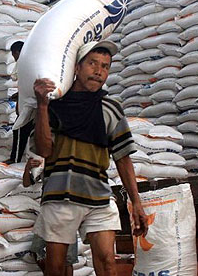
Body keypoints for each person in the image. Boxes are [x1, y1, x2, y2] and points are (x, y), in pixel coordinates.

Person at [32, 40, 148, 276]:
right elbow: (44, 150)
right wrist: (42, 106)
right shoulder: (55, 105)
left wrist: (136, 202)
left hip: (98, 196)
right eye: (92, 64)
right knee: (56, 267)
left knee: (107, 262)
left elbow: (123, 158)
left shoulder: (111, 108)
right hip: (60, 195)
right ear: (76, 68)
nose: (98, 71)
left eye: (105, 66)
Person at [23, 157, 77, 276]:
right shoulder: (44, 162)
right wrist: (28, 168)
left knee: (67, 259)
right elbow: (26, 183)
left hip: (68, 212)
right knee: (36, 250)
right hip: (48, 212)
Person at [7, 40, 32, 164]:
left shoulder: (23, 61)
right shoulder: (30, 62)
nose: (14, 58)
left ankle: (15, 159)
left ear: (17, 52)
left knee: (19, 129)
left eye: (13, 55)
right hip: (30, 104)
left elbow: (14, 76)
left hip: (28, 107)